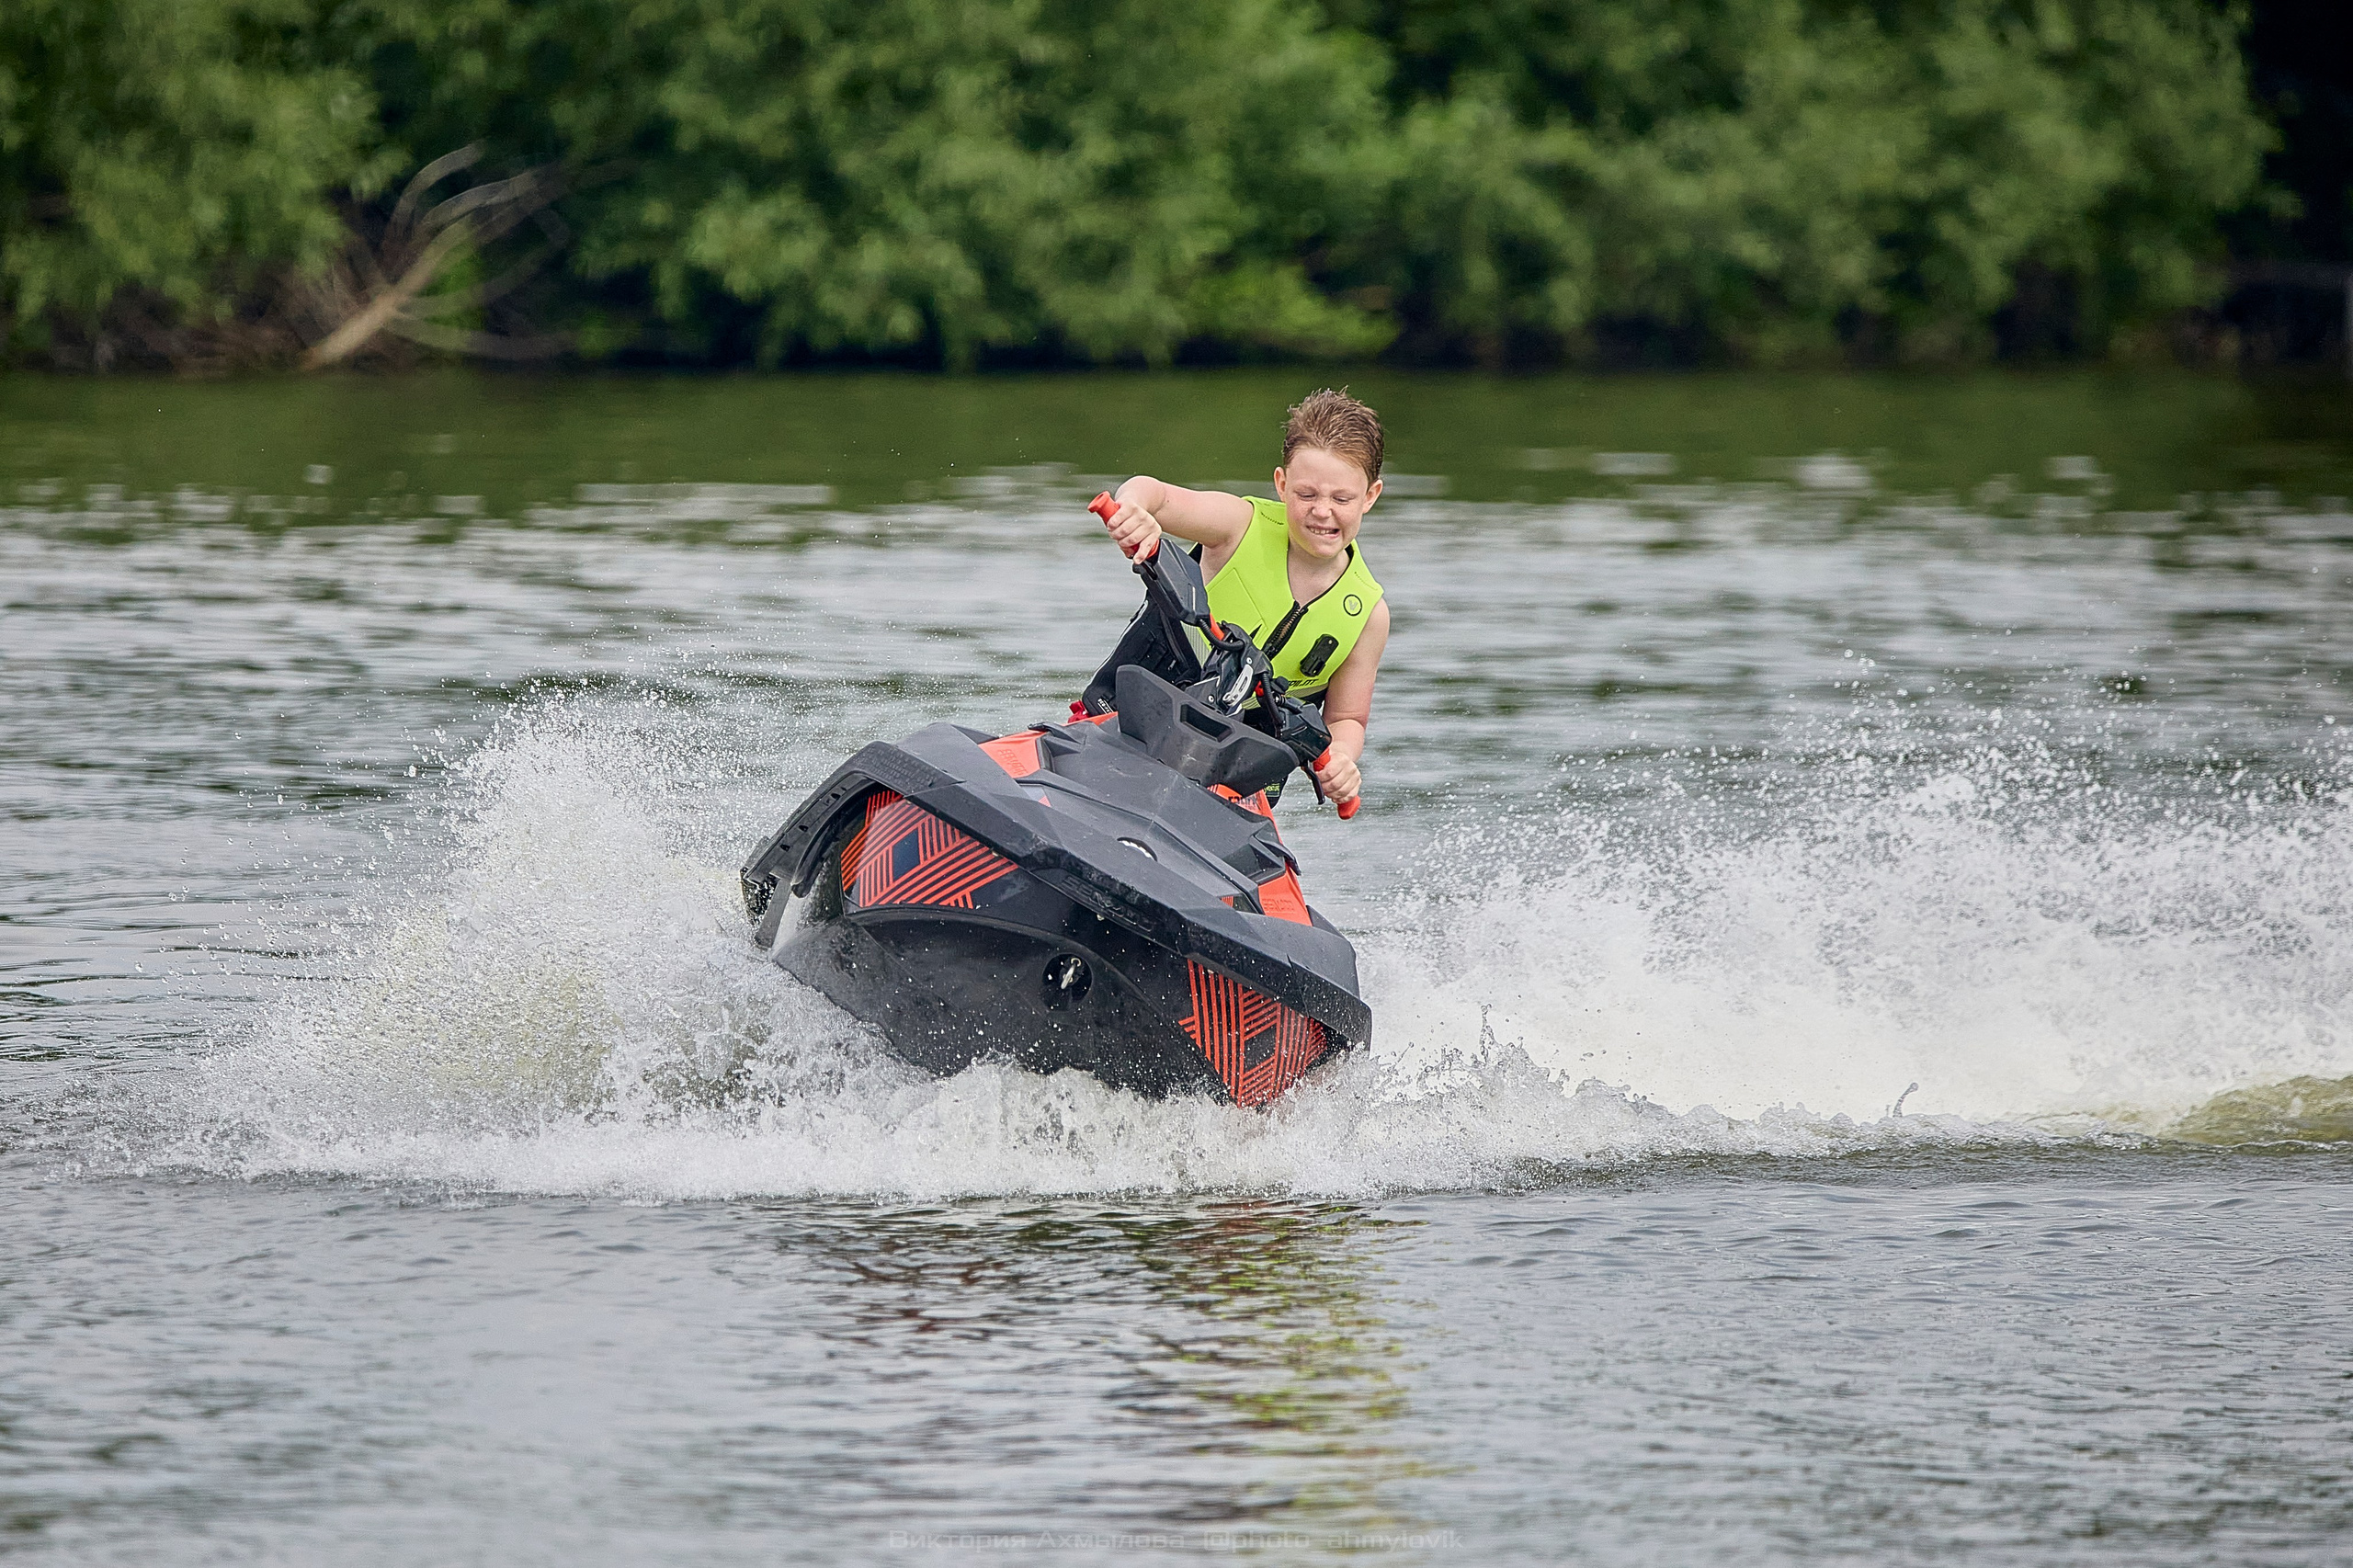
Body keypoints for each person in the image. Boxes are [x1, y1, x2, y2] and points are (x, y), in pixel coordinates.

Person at [1095, 388, 1390, 811]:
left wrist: (1341, 759)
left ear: (1370, 496)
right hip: (1129, 727)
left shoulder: (1368, 615)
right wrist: (1135, 511)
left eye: (1341, 499)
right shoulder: (1236, 526)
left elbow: (1346, 719)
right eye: (1307, 494)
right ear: (1282, 484)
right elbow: (1151, 493)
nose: (1323, 511)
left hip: (1233, 786)